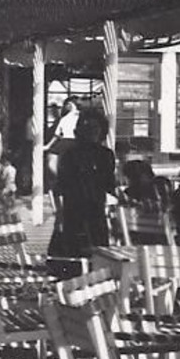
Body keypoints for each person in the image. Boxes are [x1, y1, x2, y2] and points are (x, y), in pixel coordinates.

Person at [48, 109, 116, 259]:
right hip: (76, 208)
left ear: (101, 130)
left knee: (98, 248)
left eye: (95, 128)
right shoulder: (71, 154)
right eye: (88, 128)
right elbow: (63, 183)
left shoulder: (105, 155)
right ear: (80, 130)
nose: (91, 132)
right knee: (77, 249)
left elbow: (109, 184)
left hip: (94, 207)